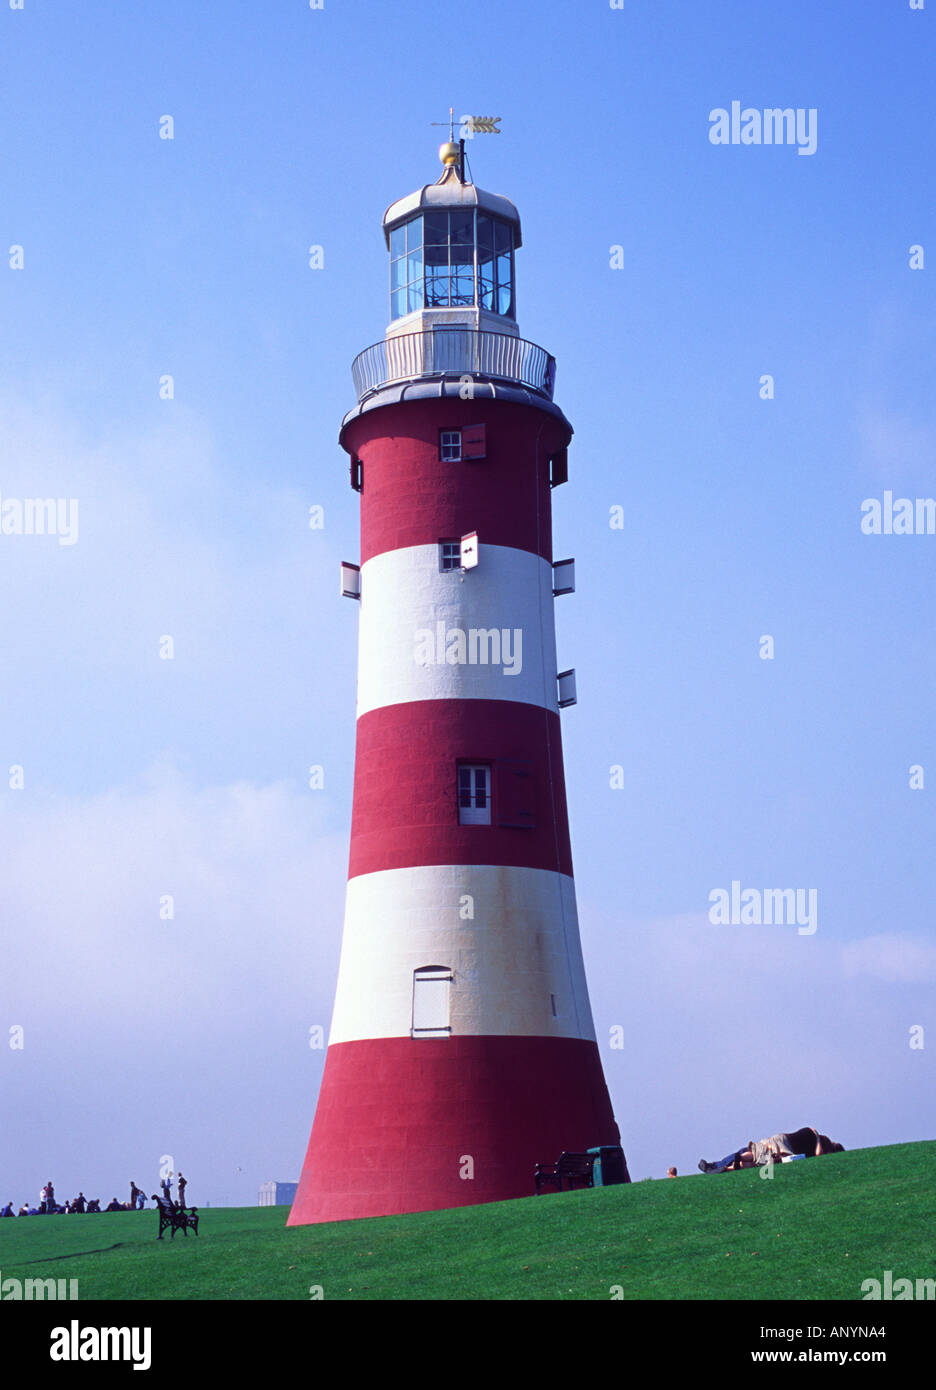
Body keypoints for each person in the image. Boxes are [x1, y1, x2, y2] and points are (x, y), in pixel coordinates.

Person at [699, 1126, 844, 1173]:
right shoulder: (818, 1138)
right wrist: (818, 1139)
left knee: (758, 1158)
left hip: (781, 1144)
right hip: (784, 1145)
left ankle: (724, 1166)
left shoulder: (815, 1142)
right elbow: (819, 1155)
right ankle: (725, 1165)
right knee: (764, 1158)